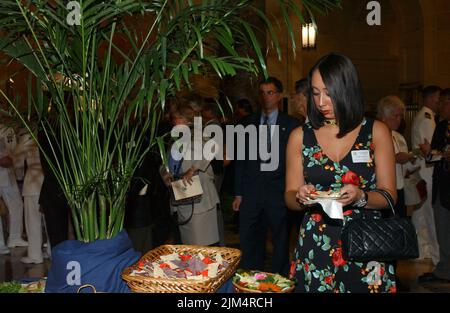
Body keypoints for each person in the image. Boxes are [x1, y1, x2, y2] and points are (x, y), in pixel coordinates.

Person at [285, 53, 397, 293]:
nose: (321, 102)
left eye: (329, 92)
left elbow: (389, 195)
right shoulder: (299, 136)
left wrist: (362, 197)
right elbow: (289, 195)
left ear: (348, 89)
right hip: (316, 242)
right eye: (315, 93)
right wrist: (301, 195)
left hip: (366, 243)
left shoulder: (376, 131)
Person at [233, 77, 300, 276]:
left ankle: (280, 279)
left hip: (279, 192)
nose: (266, 97)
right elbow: (240, 160)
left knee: (280, 239)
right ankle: (249, 279)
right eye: (262, 92)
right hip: (251, 191)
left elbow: (295, 162)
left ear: (279, 96)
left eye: (270, 92)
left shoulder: (292, 125)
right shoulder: (247, 123)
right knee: (249, 238)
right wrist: (238, 193)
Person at [160, 103, 220, 246]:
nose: (175, 123)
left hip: (200, 201)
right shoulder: (174, 139)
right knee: (188, 246)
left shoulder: (200, 135)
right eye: (174, 120)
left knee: (202, 246)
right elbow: (164, 162)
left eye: (178, 118)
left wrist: (193, 169)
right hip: (181, 197)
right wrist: (165, 173)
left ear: (188, 120)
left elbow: (213, 148)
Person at [418, 88, 450, 284]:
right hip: (442, 185)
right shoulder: (441, 125)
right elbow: (433, 155)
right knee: (442, 228)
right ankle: (444, 269)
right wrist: (429, 152)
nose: (440, 106)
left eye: (445, 102)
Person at [411, 85, 441, 265]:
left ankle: (421, 249)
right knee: (429, 213)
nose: (439, 103)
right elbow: (430, 149)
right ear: (431, 99)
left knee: (421, 213)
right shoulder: (427, 119)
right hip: (428, 170)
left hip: (422, 169)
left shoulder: (423, 115)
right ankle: (433, 253)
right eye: (438, 99)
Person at [377, 95, 416, 218]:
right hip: (382, 189)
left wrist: (412, 157)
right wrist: (395, 158)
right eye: (395, 116)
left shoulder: (399, 137)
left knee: (400, 226)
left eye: (401, 116)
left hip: (400, 187)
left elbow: (407, 165)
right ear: (383, 117)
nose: (399, 120)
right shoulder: (373, 136)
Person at [14, 128, 45, 263]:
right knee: (50, 221)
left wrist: (19, 174)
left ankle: (35, 255)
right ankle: (51, 250)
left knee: (33, 221)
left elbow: (18, 159)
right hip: (48, 182)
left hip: (32, 181)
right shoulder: (50, 133)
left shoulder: (28, 136)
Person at [0, 122, 27, 251]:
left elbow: (13, 150)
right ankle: (1, 243)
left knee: (16, 204)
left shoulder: (7, 128)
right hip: (3, 169)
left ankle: (15, 237)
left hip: (8, 172)